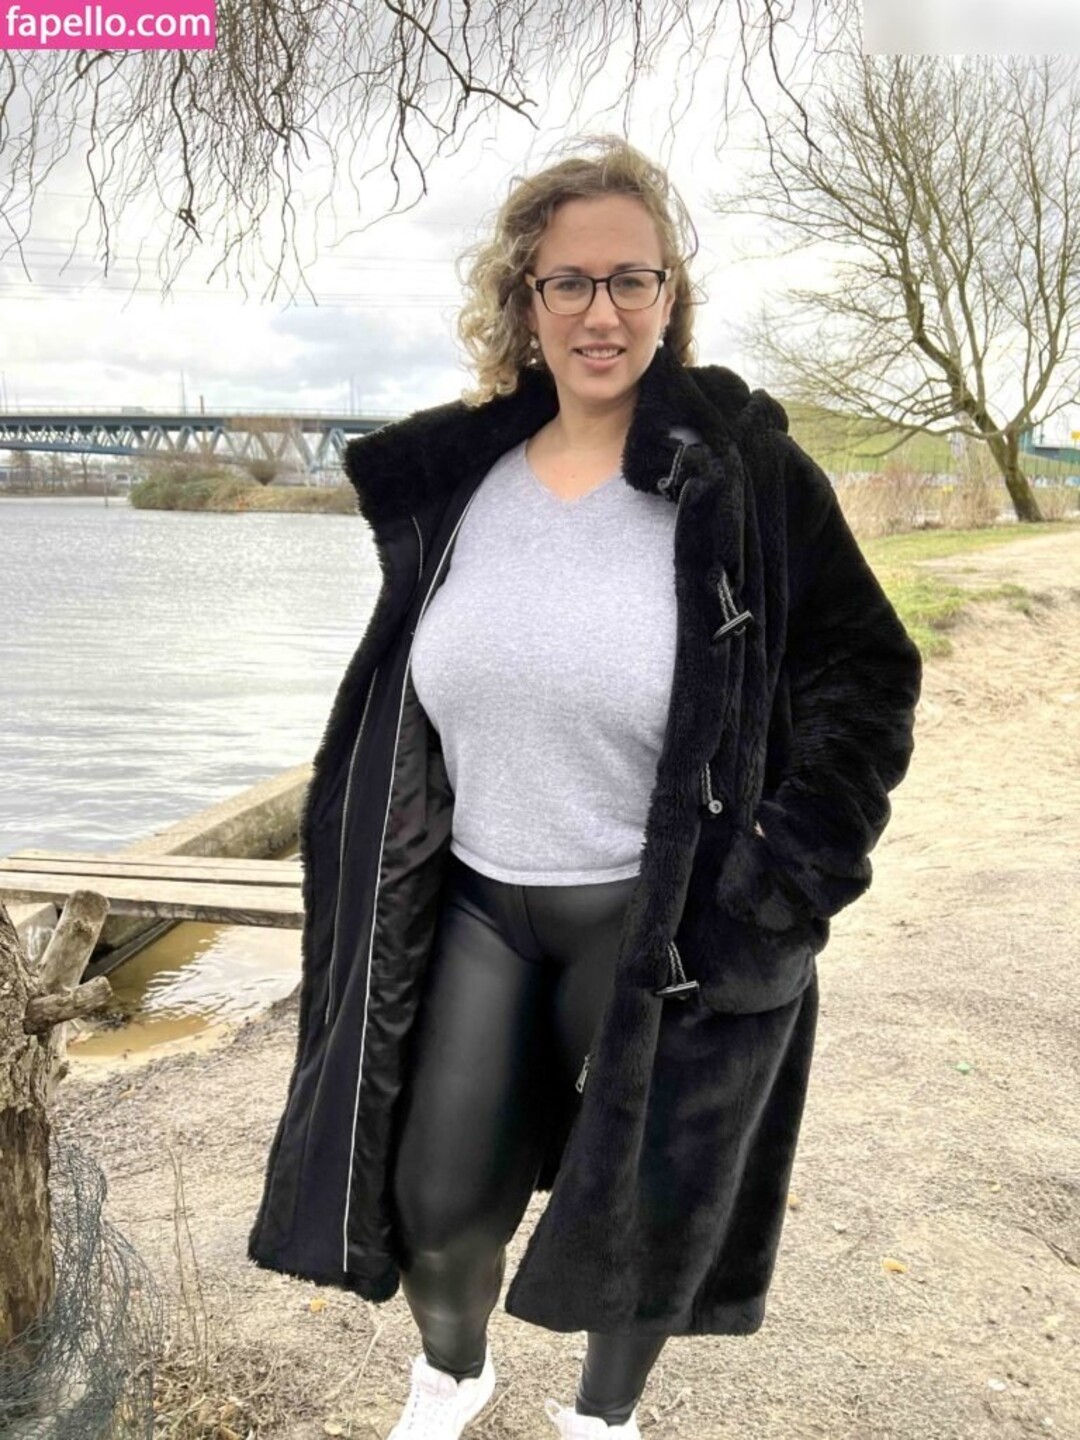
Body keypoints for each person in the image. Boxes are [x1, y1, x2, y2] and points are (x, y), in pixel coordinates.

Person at [248, 138, 922, 1439]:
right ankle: (455, 1374)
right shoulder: (462, 484)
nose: (600, 311)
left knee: (643, 1209)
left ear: (670, 297)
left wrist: (786, 880)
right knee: (438, 1203)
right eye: (569, 282)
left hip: (663, 916)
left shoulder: (744, 476)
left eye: (631, 279)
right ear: (526, 300)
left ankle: (604, 1419)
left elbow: (867, 671)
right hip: (483, 903)